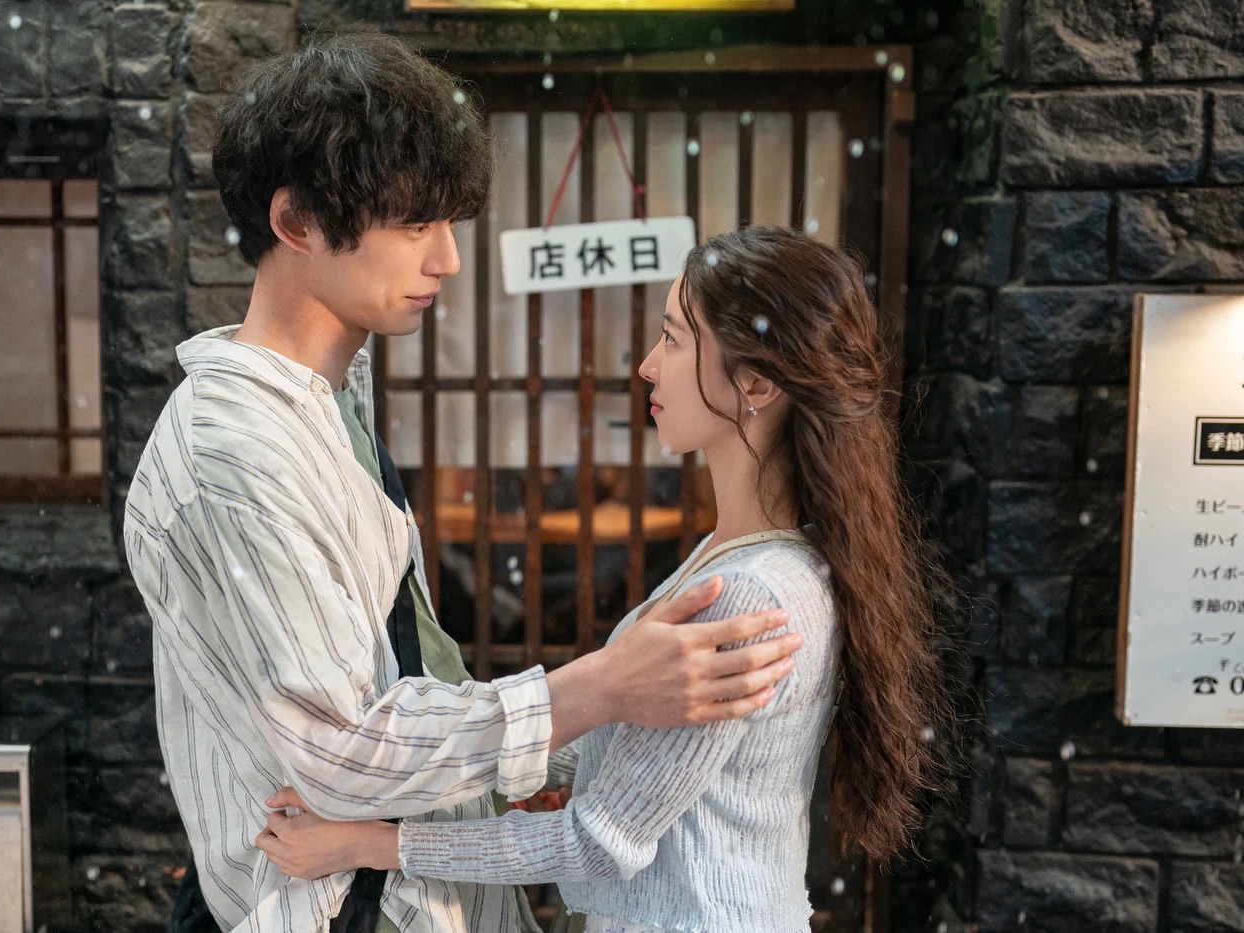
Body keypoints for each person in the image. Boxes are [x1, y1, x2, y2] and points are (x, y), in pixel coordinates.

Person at [122, 34, 804, 933]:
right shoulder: (235, 450)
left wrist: (515, 770)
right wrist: (597, 688)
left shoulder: (333, 393)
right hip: (335, 907)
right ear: (296, 222)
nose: (445, 258)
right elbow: (341, 752)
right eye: (414, 225)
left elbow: (395, 667)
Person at [253, 225, 956, 932]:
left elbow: (599, 842)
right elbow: (638, 748)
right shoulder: (742, 557)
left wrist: (368, 843)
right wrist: (422, 781)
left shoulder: (750, 595)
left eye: (674, 339)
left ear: (756, 383)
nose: (648, 366)